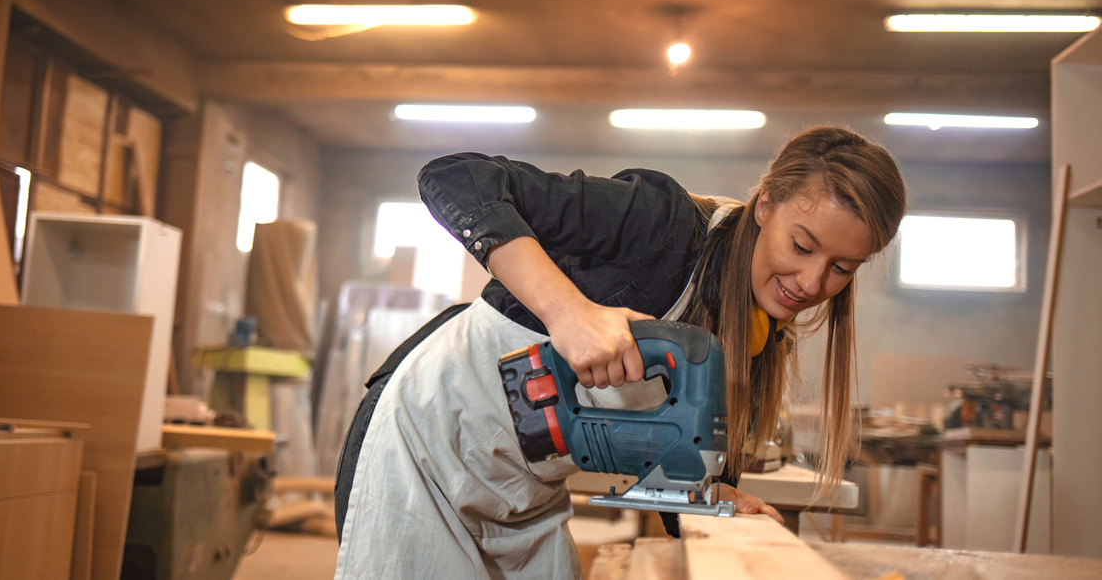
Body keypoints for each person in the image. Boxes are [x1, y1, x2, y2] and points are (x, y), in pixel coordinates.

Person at [333, 126, 907, 580]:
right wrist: (569, 313)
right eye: (802, 246)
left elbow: (678, 465)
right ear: (765, 206)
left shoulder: (756, 327)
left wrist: (710, 494)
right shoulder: (660, 225)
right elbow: (457, 177)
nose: (810, 282)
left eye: (840, 269)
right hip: (421, 449)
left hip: (520, 500)